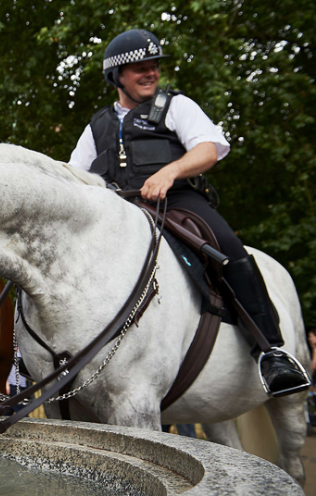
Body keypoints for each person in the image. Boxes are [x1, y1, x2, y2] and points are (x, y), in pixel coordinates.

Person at [69, 28, 310, 397]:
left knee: (228, 248)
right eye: (139, 68)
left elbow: (209, 149)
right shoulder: (97, 125)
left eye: (154, 66)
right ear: (116, 76)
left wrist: (170, 171)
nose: (150, 72)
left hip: (178, 202)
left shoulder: (176, 106)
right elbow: (76, 176)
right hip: (121, 211)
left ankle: (272, 352)